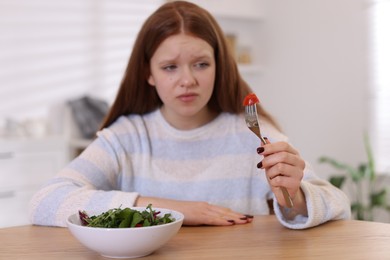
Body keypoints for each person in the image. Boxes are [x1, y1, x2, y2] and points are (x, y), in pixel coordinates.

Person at [29, 0, 350, 229]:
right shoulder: (126, 138)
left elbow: (337, 203)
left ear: (218, 66)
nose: (188, 80)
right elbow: (45, 201)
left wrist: (295, 198)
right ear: (148, 73)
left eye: (201, 64)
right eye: (170, 67)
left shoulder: (252, 134)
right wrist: (169, 209)